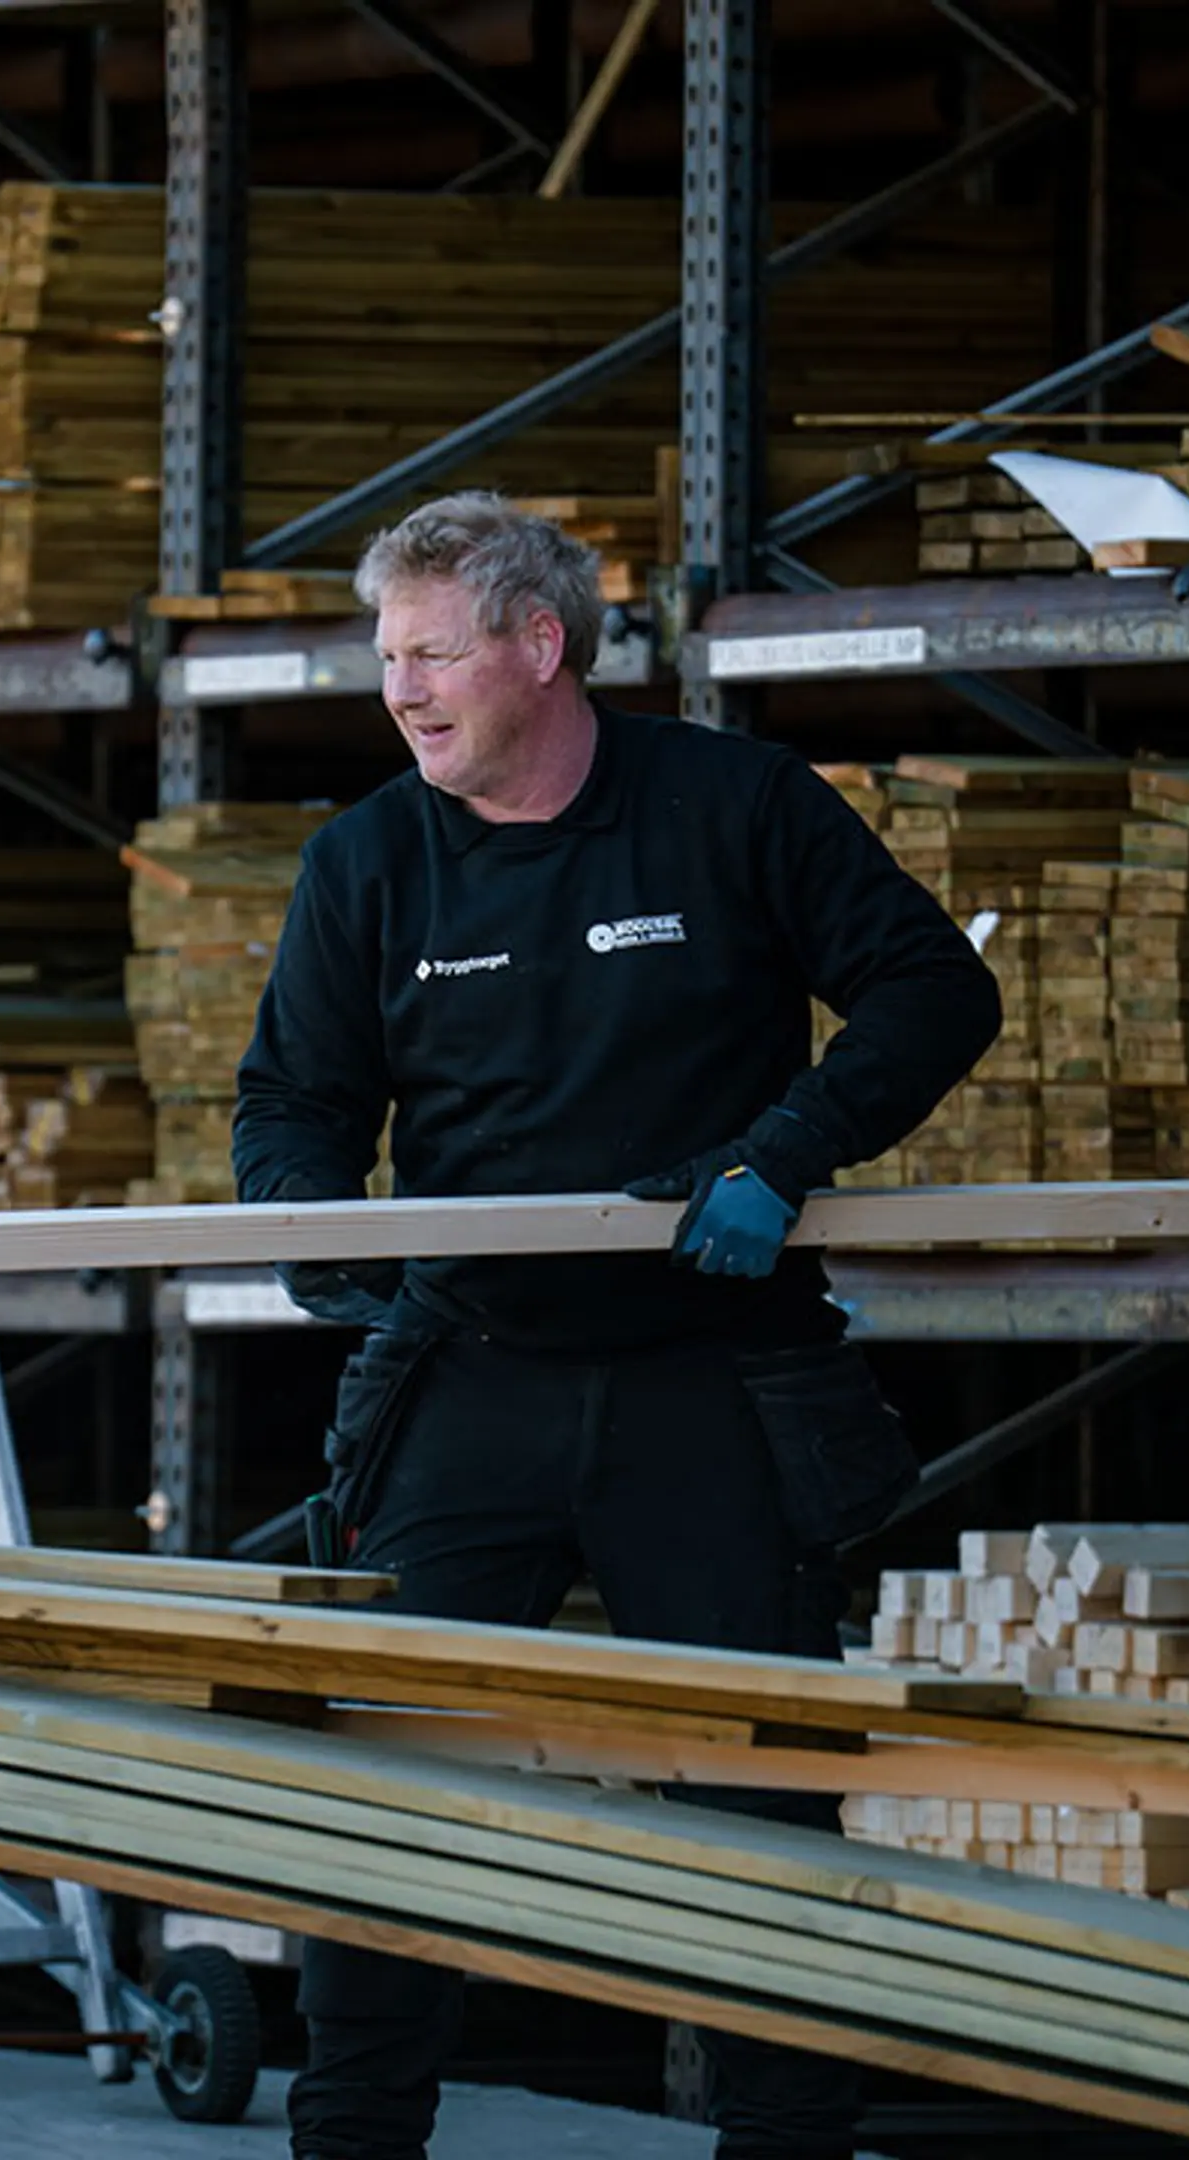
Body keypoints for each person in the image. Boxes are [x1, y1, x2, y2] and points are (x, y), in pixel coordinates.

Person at [230, 491, 1003, 2160]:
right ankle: (353, 2143)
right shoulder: (368, 859)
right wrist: (318, 1234)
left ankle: (784, 2144)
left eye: (433, 656)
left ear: (539, 646)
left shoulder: (731, 809)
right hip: (469, 1372)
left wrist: (780, 1156)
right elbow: (293, 1094)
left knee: (754, 1788)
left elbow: (939, 989)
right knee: (390, 1781)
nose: (403, 693)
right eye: (386, 660)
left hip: (706, 1375)